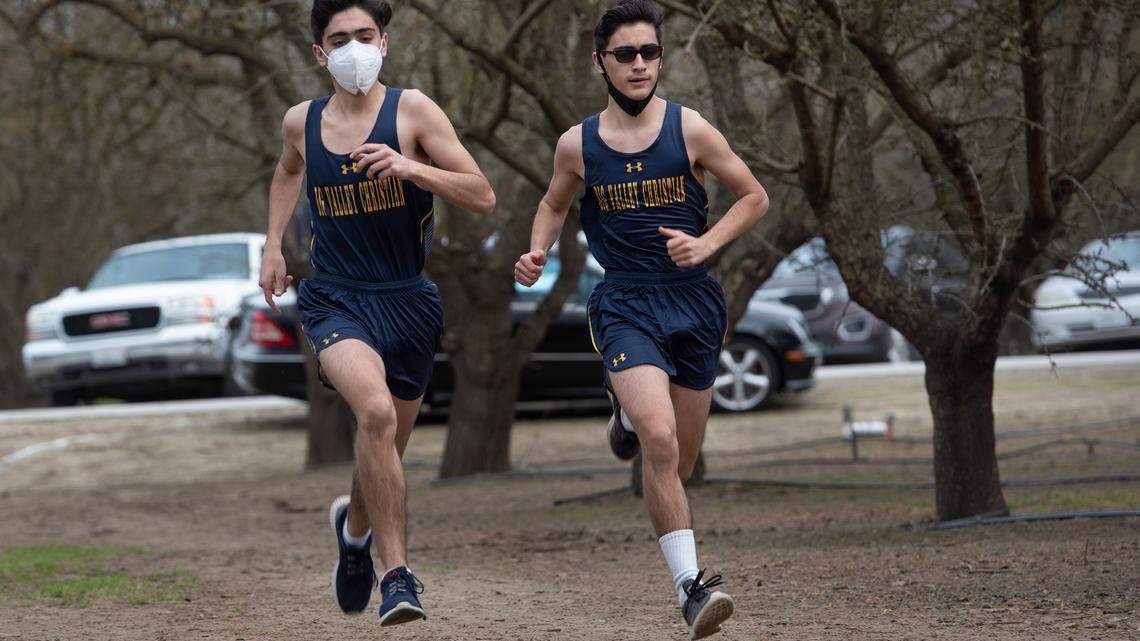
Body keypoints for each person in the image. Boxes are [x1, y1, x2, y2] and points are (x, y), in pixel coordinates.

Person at [513, 1, 768, 638]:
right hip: (624, 301)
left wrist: (707, 245)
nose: (638, 65)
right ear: (600, 61)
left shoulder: (692, 130)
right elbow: (551, 204)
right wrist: (538, 247)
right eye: (624, 54)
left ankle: (625, 413)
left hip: (693, 301)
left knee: (677, 459)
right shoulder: (577, 144)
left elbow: (754, 196)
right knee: (658, 440)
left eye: (649, 52)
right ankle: (691, 587)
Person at [258, 0, 495, 627]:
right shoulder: (300, 122)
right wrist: (272, 244)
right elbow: (286, 175)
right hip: (336, 296)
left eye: (365, 35)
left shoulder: (411, 111)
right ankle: (398, 577)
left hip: (408, 298)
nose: (354, 48)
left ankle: (354, 533)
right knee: (377, 413)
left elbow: (482, 194)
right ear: (319, 53)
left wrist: (411, 165)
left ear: (384, 43)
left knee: (383, 443)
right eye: (340, 38)